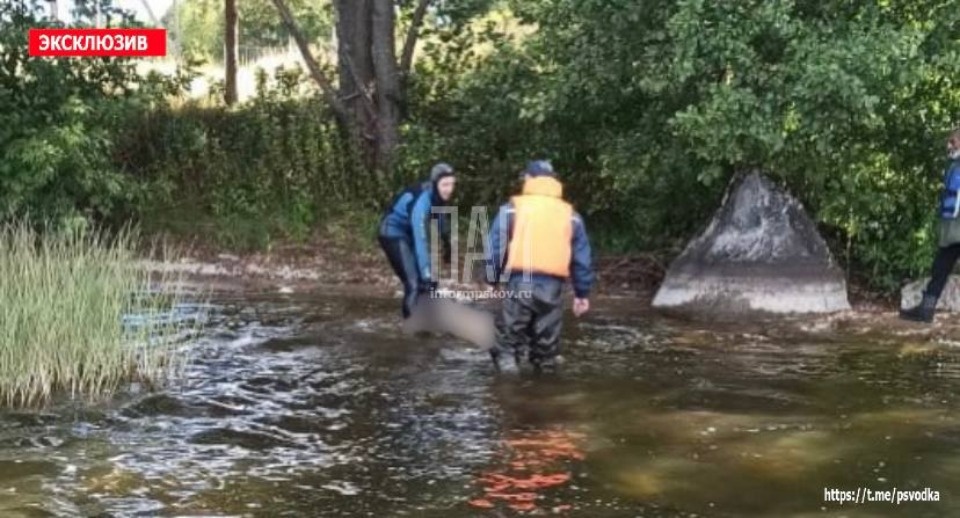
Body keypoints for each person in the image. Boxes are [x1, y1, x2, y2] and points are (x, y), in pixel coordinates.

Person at [487, 160, 594, 373]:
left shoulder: (512, 209)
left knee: (508, 345)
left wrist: (491, 279)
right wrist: (582, 294)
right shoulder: (571, 215)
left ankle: (506, 386)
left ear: (529, 179)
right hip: (552, 288)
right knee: (546, 352)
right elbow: (582, 259)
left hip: (519, 283)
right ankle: (543, 386)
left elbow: (496, 247)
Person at [379, 163, 456, 319]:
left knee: (431, 283)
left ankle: (428, 319)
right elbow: (420, 240)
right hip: (392, 233)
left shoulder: (438, 196)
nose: (449, 189)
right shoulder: (422, 201)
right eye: (445, 185)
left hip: (407, 233)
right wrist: (426, 274)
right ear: (435, 184)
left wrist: (446, 243)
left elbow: (439, 217)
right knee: (414, 283)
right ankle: (410, 326)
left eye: (452, 184)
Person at [900, 129, 960, 323]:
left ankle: (925, 311)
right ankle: (925, 311)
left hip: (956, 231)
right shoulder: (953, 165)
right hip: (952, 232)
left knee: (940, 268)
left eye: (953, 141)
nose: (949, 146)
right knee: (939, 269)